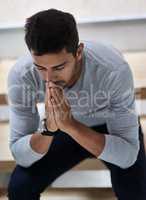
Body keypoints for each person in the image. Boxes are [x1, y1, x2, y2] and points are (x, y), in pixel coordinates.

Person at [7, 9, 146, 200]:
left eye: (59, 67)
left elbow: (127, 155)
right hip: (58, 128)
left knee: (136, 192)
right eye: (40, 67)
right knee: (19, 188)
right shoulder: (21, 75)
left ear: (78, 52)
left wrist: (71, 125)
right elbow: (20, 155)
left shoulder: (113, 69)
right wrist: (49, 130)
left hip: (108, 127)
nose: (49, 79)